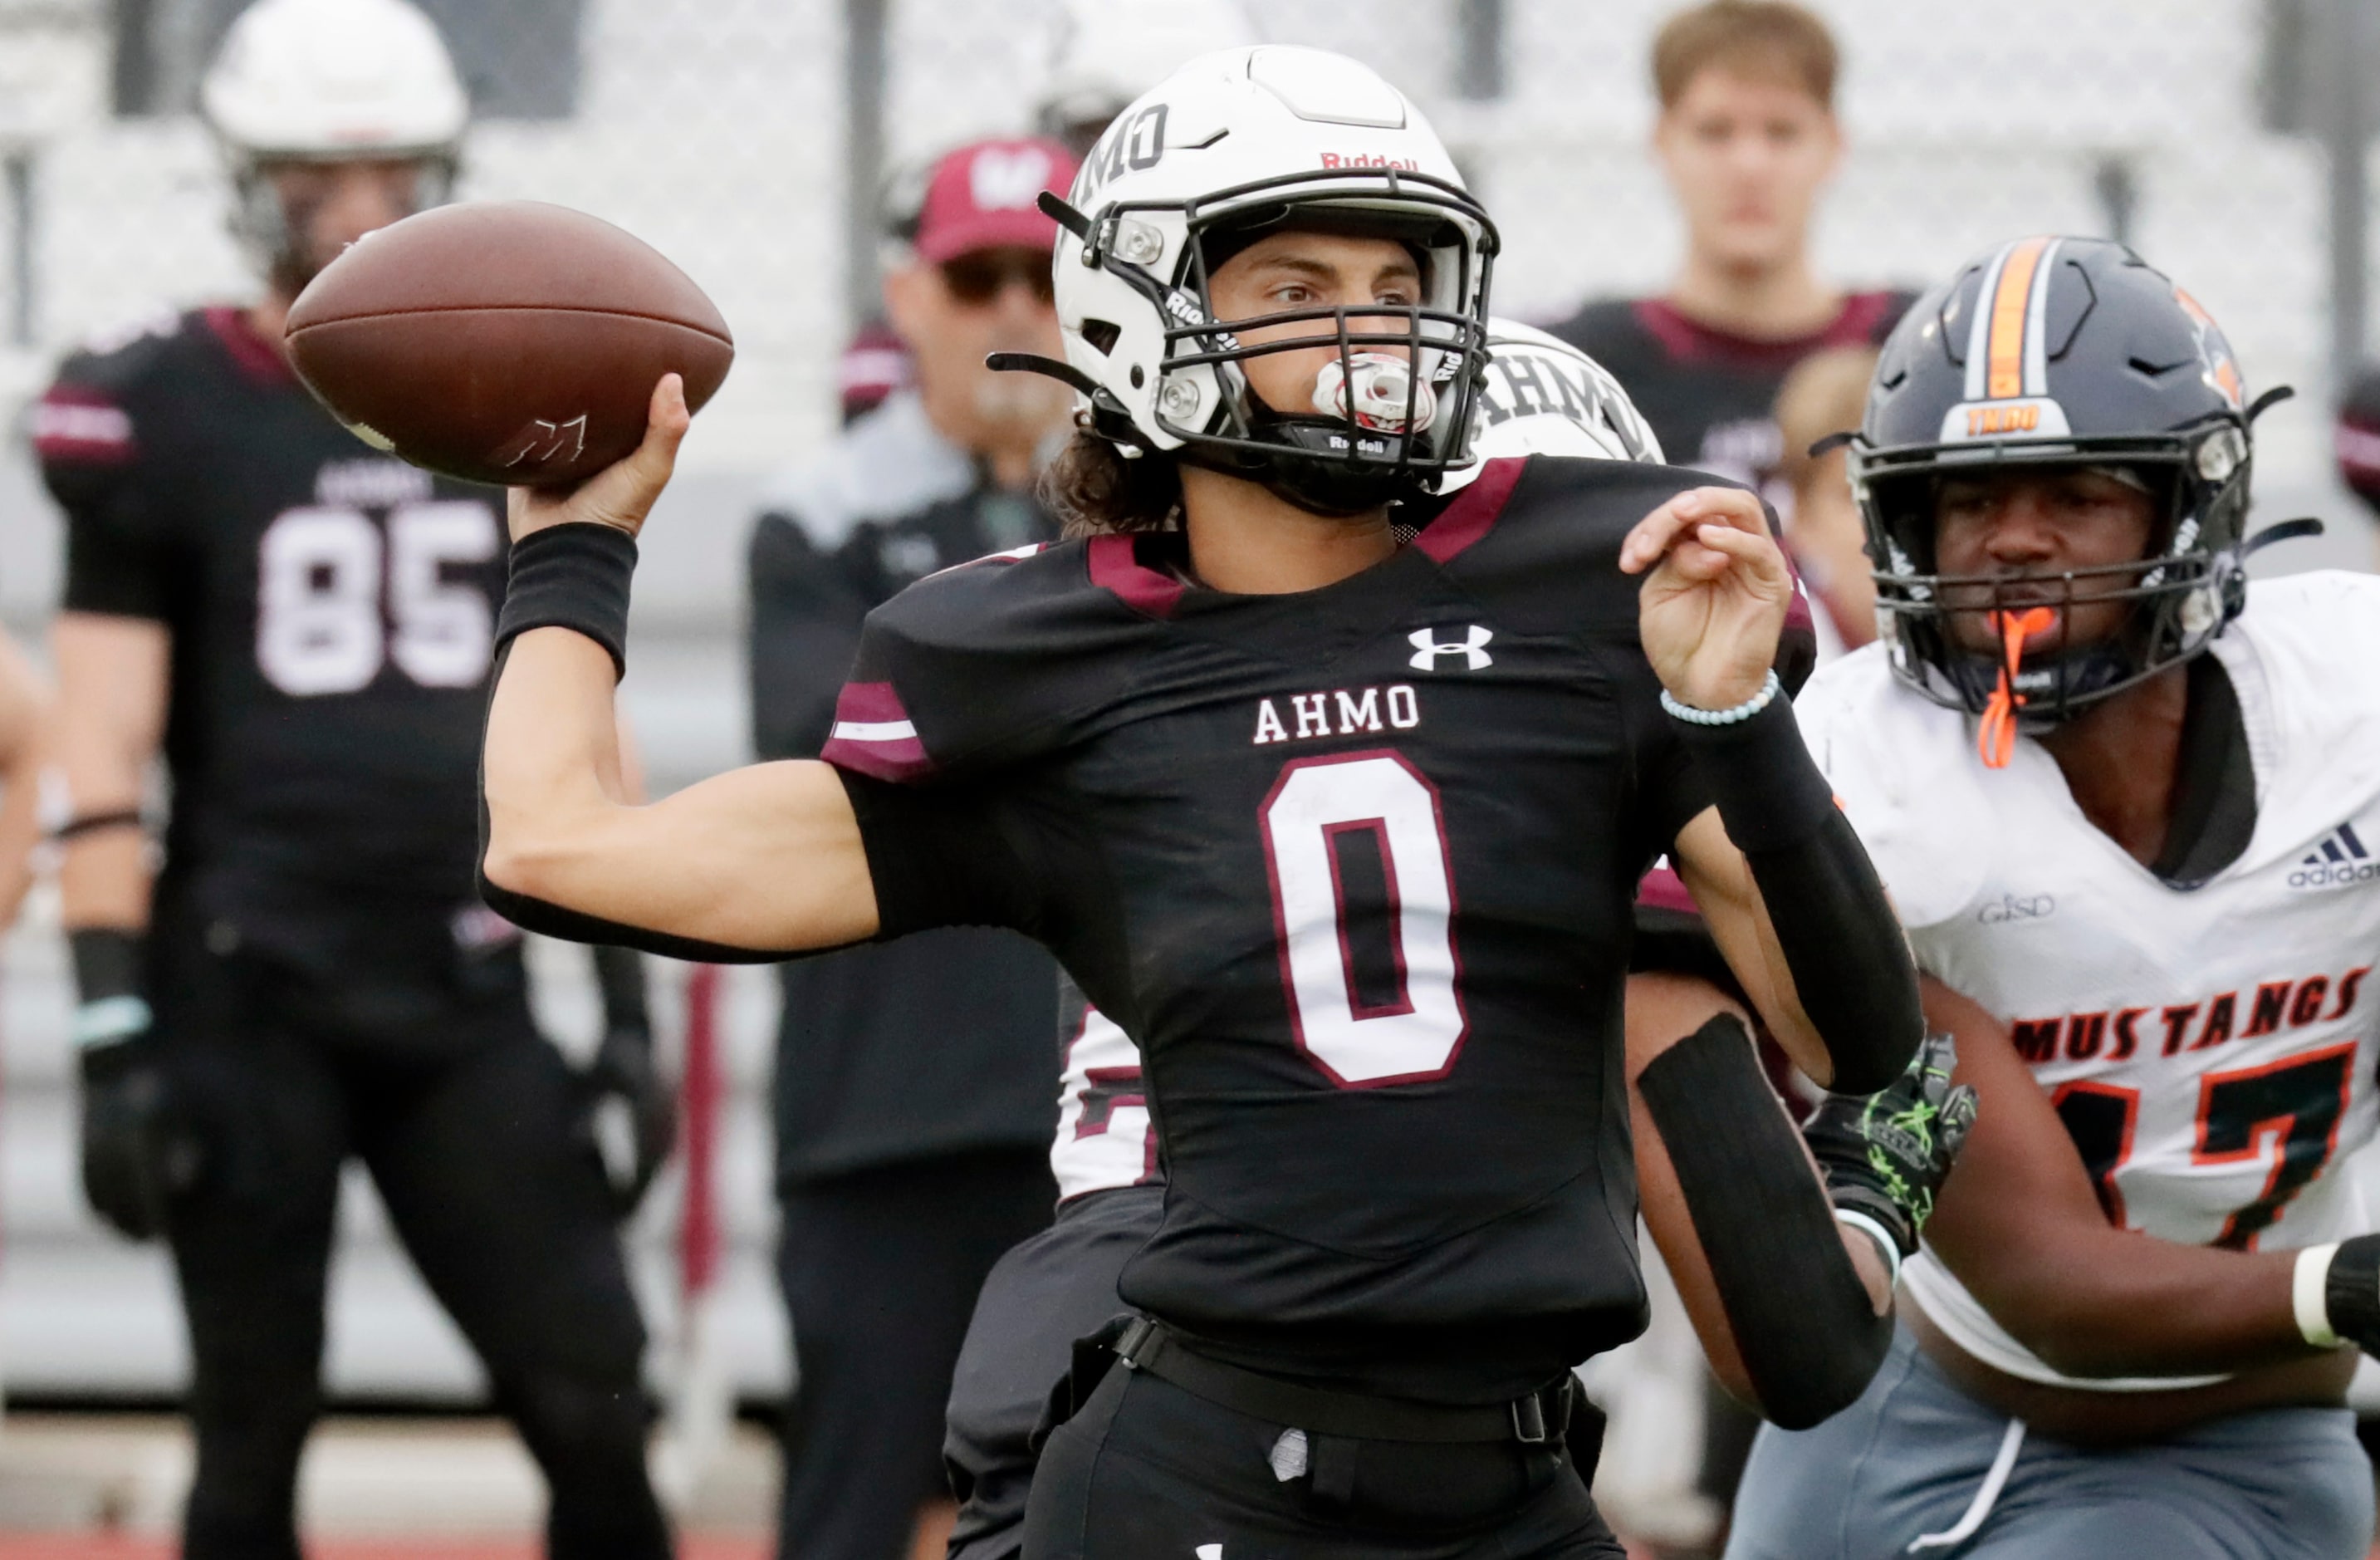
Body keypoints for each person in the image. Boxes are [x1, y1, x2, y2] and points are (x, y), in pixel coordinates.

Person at [477, 46, 1930, 1557]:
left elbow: (1852, 1038)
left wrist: (1736, 717)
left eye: (1396, 275)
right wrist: (573, 553)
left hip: (1511, 1473)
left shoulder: (1584, 588)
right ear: (1138, 310)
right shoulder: (1043, 661)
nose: (1371, 331)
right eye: (1298, 290)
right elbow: (554, 846)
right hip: (1211, 1467)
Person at [933, 321, 1966, 1560]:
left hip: (1098, 1341)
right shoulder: (1536, 787)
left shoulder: (1186, 721)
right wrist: (1864, 1187)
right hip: (1283, 1423)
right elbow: (1792, 1339)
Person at [34, 3, 672, 1557]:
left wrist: (634, 1003)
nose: (367, 216)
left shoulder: (515, 387)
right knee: (250, 1423)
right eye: (325, 179)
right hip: (250, 980)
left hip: (464, 978)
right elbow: (101, 736)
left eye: (394, 173)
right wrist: (114, 1022)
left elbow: (583, 687)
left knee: (592, 1393)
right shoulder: (163, 402)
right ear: (253, 181)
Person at [1727, 236, 2380, 1560]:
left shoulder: (2352, 706)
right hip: (1907, 1393)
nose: (2011, 541)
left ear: (2185, 507)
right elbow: (2049, 1284)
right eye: (1966, 501)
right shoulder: (1875, 771)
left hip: (2221, 1446)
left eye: (2072, 492)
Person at [747, 134, 1080, 1560]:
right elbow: (846, 749)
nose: (1010, 309)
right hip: (879, 1110)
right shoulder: (817, 513)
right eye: (973, 275)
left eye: (1043, 275)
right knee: (852, 1499)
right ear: (908, 294)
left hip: (1099, 1113)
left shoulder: (1167, 501)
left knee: (1093, 1501)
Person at [1546, 0, 1910, 511]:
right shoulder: (1585, 369)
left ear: (1833, 145)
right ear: (1663, 143)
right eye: (1715, 131)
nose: (1749, 165)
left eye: (1782, 132)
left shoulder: (1909, 351)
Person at [1770, 346, 1878, 656]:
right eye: (1861, 495)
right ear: (1801, 519)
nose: (1891, 521)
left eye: (1910, 490)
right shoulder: (1771, 668)